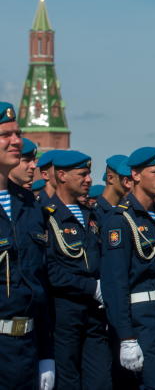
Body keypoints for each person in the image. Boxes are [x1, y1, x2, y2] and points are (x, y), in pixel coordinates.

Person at [101, 147, 155, 388]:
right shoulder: (119, 220)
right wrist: (126, 336)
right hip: (143, 319)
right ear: (136, 175)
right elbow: (115, 282)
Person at [44, 150, 112, 389]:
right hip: (64, 311)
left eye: (89, 174)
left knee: (101, 380)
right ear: (61, 175)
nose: (89, 180)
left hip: (95, 313)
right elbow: (50, 270)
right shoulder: (46, 216)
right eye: (82, 174)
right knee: (68, 381)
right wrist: (92, 287)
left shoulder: (91, 215)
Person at [0, 102, 55, 389]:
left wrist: (46, 354)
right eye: (5, 134)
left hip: (26, 348)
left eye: (17, 133)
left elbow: (39, 283)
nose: (15, 141)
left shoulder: (30, 206)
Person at [96, 155, 131, 227]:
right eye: (126, 178)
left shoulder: (129, 211)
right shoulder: (95, 213)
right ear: (110, 178)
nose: (130, 183)